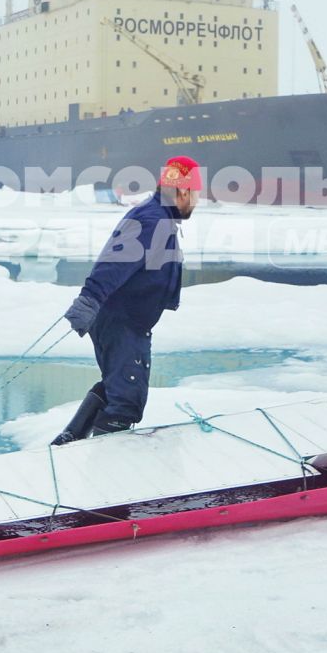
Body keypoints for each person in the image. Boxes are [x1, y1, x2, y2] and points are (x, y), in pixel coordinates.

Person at [50, 156, 200, 445]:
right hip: (121, 322)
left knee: (118, 388)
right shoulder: (152, 220)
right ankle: (105, 466)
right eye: (195, 194)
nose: (196, 201)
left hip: (125, 321)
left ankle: (70, 442)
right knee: (126, 401)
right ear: (182, 191)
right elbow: (114, 261)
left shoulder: (158, 216)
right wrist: (89, 300)